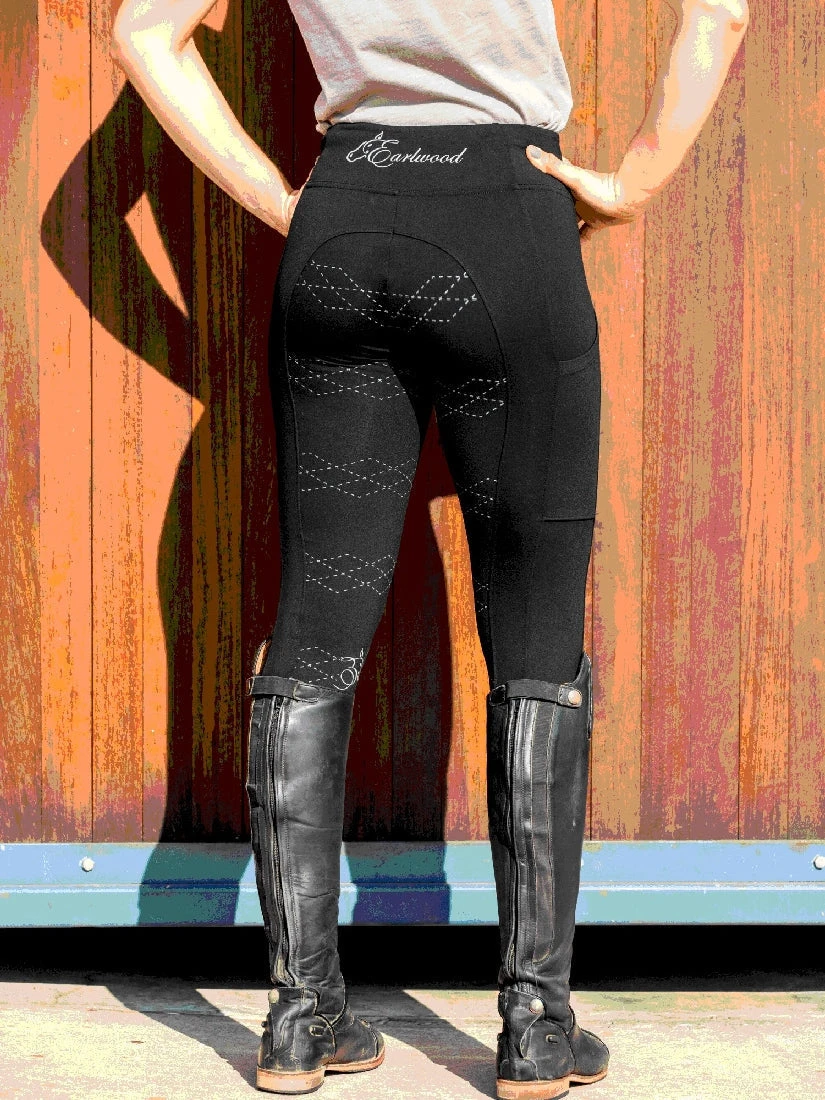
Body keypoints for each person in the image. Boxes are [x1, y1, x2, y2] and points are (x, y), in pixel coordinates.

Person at [111, 1, 749, 1095]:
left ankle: (301, 1015)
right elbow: (721, 12)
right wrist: (636, 179)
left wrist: (284, 200)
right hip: (509, 216)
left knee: (313, 632)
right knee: (536, 635)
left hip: (344, 222)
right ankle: (535, 1026)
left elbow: (141, 33)